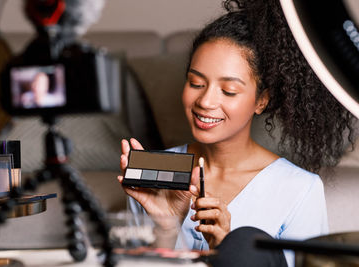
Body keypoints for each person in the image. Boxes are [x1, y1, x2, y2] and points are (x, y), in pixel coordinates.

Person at [117, 0, 356, 266]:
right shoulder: (153, 178)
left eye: (228, 90)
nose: (205, 101)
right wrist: (165, 228)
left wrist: (227, 251)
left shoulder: (299, 189)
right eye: (195, 83)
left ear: (261, 100)